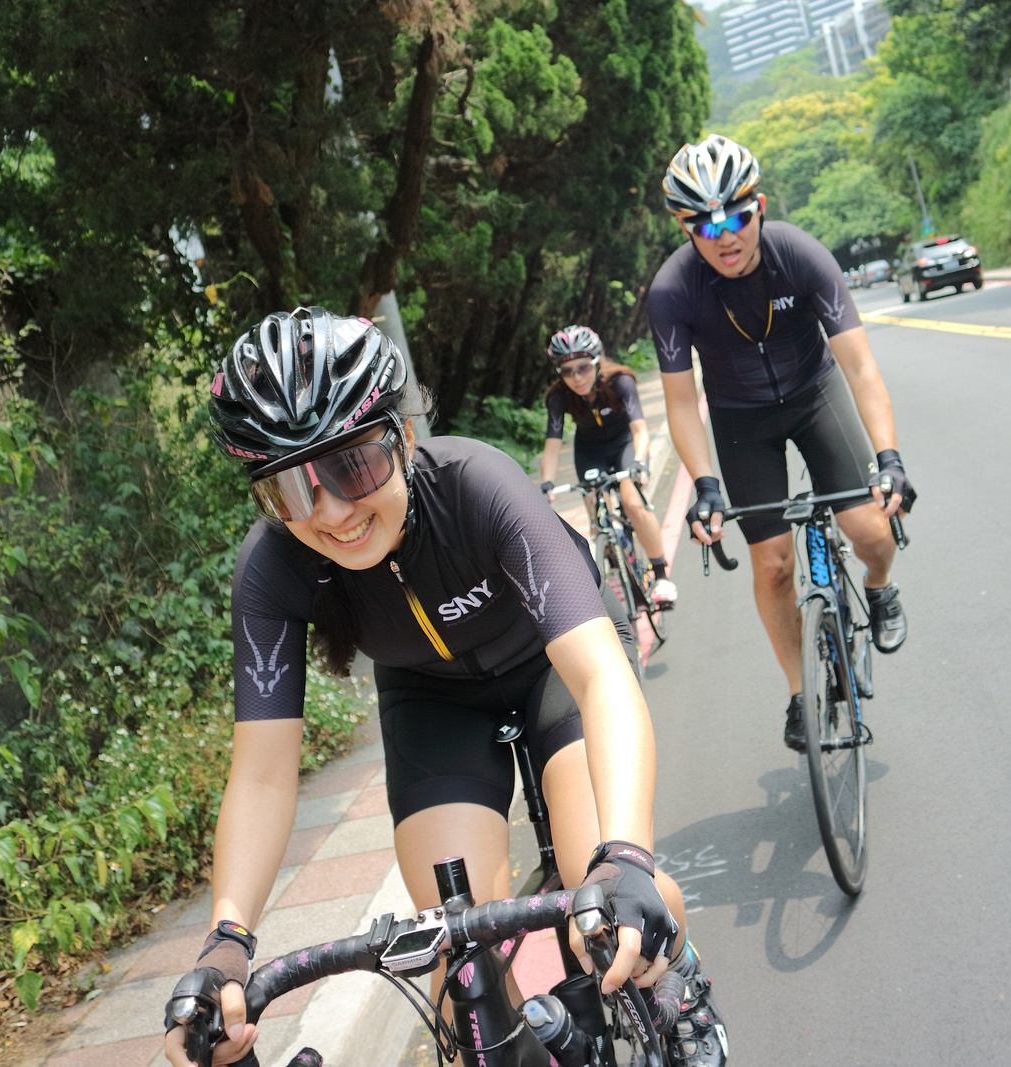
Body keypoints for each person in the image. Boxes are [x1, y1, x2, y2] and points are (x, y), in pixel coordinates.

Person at [162, 307, 727, 1067]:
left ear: (401, 435)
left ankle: (680, 983)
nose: (332, 511)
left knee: (606, 897)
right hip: (433, 701)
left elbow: (599, 677)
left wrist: (625, 855)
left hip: (553, 668)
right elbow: (262, 774)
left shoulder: (475, 485)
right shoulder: (270, 569)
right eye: (290, 488)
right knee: (461, 964)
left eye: (353, 466)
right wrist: (226, 941)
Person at [648, 134, 916, 753]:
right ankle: (801, 693)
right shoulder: (672, 291)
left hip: (814, 394)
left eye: (736, 218)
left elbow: (860, 368)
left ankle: (879, 587)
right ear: (685, 228)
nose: (725, 237)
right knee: (771, 566)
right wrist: (705, 485)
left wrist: (889, 458)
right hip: (741, 417)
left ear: (759, 207)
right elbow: (682, 402)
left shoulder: (800, 255)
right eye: (704, 226)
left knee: (870, 529)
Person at [538, 325, 677, 606]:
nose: (577, 378)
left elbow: (640, 430)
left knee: (632, 502)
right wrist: (546, 484)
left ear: (597, 361)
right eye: (567, 372)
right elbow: (552, 446)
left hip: (625, 444)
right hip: (589, 451)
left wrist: (639, 463)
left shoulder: (620, 381)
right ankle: (615, 565)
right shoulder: (558, 397)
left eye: (583, 368)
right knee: (596, 516)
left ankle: (661, 576)